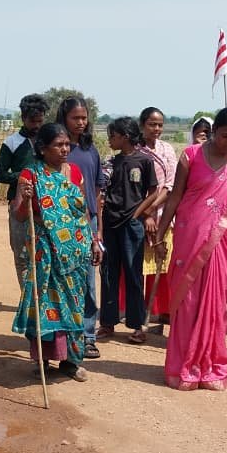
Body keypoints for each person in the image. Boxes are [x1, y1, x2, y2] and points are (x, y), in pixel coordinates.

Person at [155, 107, 227, 391]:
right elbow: (175, 196)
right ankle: (180, 367)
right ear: (214, 131)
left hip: (223, 241)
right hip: (189, 236)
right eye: (225, 135)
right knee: (186, 302)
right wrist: (160, 234)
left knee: (215, 304)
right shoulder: (191, 156)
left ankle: (211, 368)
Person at [11, 122, 92, 382]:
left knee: (74, 303)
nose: (65, 149)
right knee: (45, 303)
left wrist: (94, 241)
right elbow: (20, 215)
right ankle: (44, 360)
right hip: (45, 249)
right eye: (59, 145)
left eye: (67, 144)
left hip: (74, 254)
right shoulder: (31, 174)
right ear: (43, 149)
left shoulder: (76, 172)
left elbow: (83, 212)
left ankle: (71, 361)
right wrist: (24, 198)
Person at [98, 117, 158, 345]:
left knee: (133, 275)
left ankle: (137, 325)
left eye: (112, 136)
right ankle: (107, 322)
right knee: (108, 273)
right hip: (111, 222)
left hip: (132, 226)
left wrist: (138, 213)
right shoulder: (110, 163)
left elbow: (153, 191)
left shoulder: (144, 161)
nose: (110, 140)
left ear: (124, 136)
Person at [55, 96, 105, 358]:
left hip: (87, 222)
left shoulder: (90, 151)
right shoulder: (57, 148)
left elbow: (97, 192)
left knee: (87, 280)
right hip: (61, 222)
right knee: (63, 277)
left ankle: (88, 335)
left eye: (84, 118)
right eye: (76, 118)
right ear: (64, 118)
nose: (81, 122)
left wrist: (97, 232)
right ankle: (62, 335)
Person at [0, 94, 48, 284]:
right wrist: (24, 177)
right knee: (21, 255)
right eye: (33, 121)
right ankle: (27, 299)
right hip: (19, 205)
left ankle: (41, 299)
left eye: (40, 121)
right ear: (23, 118)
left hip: (46, 206)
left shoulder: (49, 141)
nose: (36, 126)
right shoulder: (12, 142)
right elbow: (0, 174)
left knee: (44, 254)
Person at [138, 107, 177, 333]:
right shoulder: (136, 150)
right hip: (139, 215)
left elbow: (170, 185)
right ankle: (138, 316)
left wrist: (153, 211)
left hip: (163, 216)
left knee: (162, 267)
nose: (157, 129)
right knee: (139, 268)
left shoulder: (167, 150)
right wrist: (145, 214)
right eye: (152, 124)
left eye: (160, 124)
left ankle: (159, 312)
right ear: (143, 125)